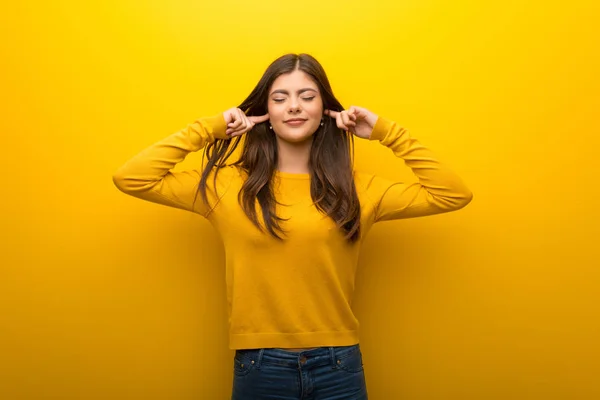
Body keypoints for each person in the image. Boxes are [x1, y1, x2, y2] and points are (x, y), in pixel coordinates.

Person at [113, 53, 473, 399]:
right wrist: (212, 127)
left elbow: (452, 194)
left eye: (307, 96)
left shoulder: (358, 189)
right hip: (259, 365)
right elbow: (132, 178)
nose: (294, 106)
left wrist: (384, 131)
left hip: (339, 364)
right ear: (266, 112)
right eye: (280, 97)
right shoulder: (225, 187)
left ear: (324, 109)